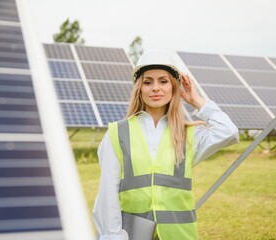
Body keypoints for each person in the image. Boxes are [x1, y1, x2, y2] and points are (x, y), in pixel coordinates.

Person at [92, 50, 239, 240]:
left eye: (163, 81)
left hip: (180, 235)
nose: (155, 88)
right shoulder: (117, 133)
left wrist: (196, 100)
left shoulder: (188, 135)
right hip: (133, 235)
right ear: (139, 88)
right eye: (148, 82)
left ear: (173, 87)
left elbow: (228, 131)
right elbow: (107, 194)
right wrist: (111, 236)